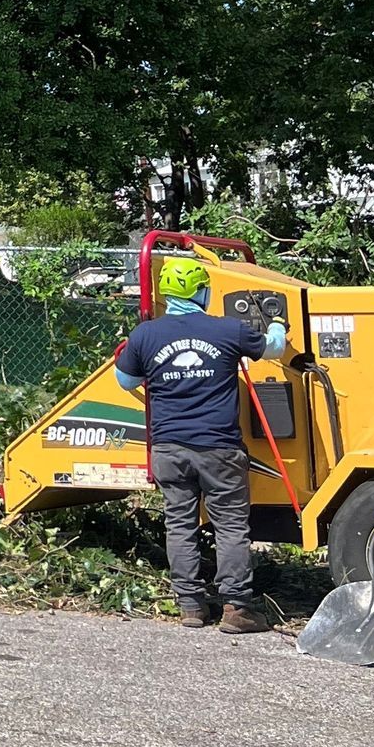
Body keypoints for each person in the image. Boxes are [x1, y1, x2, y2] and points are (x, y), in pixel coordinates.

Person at [115, 252, 287, 632]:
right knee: (229, 526)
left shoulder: (145, 334)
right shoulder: (227, 329)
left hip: (169, 448)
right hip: (219, 449)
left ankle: (191, 606)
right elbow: (273, 349)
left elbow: (125, 382)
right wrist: (277, 324)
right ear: (200, 291)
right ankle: (237, 609)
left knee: (180, 524)